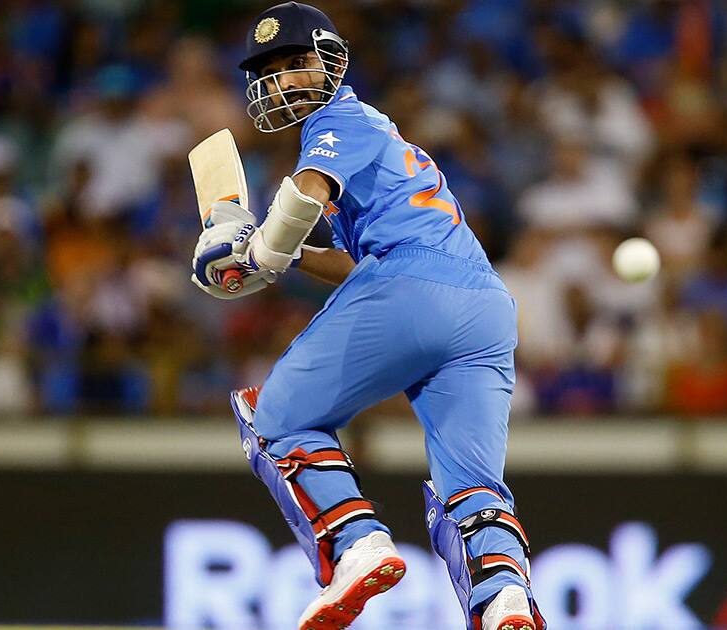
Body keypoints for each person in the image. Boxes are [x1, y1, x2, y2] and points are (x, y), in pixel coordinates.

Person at [190, 3, 545, 630]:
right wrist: (289, 253)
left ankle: (356, 545)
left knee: (274, 417)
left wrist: (261, 254)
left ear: (327, 61)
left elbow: (305, 195)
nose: (279, 80)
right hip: (483, 308)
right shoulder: (379, 141)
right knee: (472, 483)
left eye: (293, 64)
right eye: (269, 69)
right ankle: (505, 603)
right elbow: (354, 264)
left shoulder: (342, 117)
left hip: (412, 286)